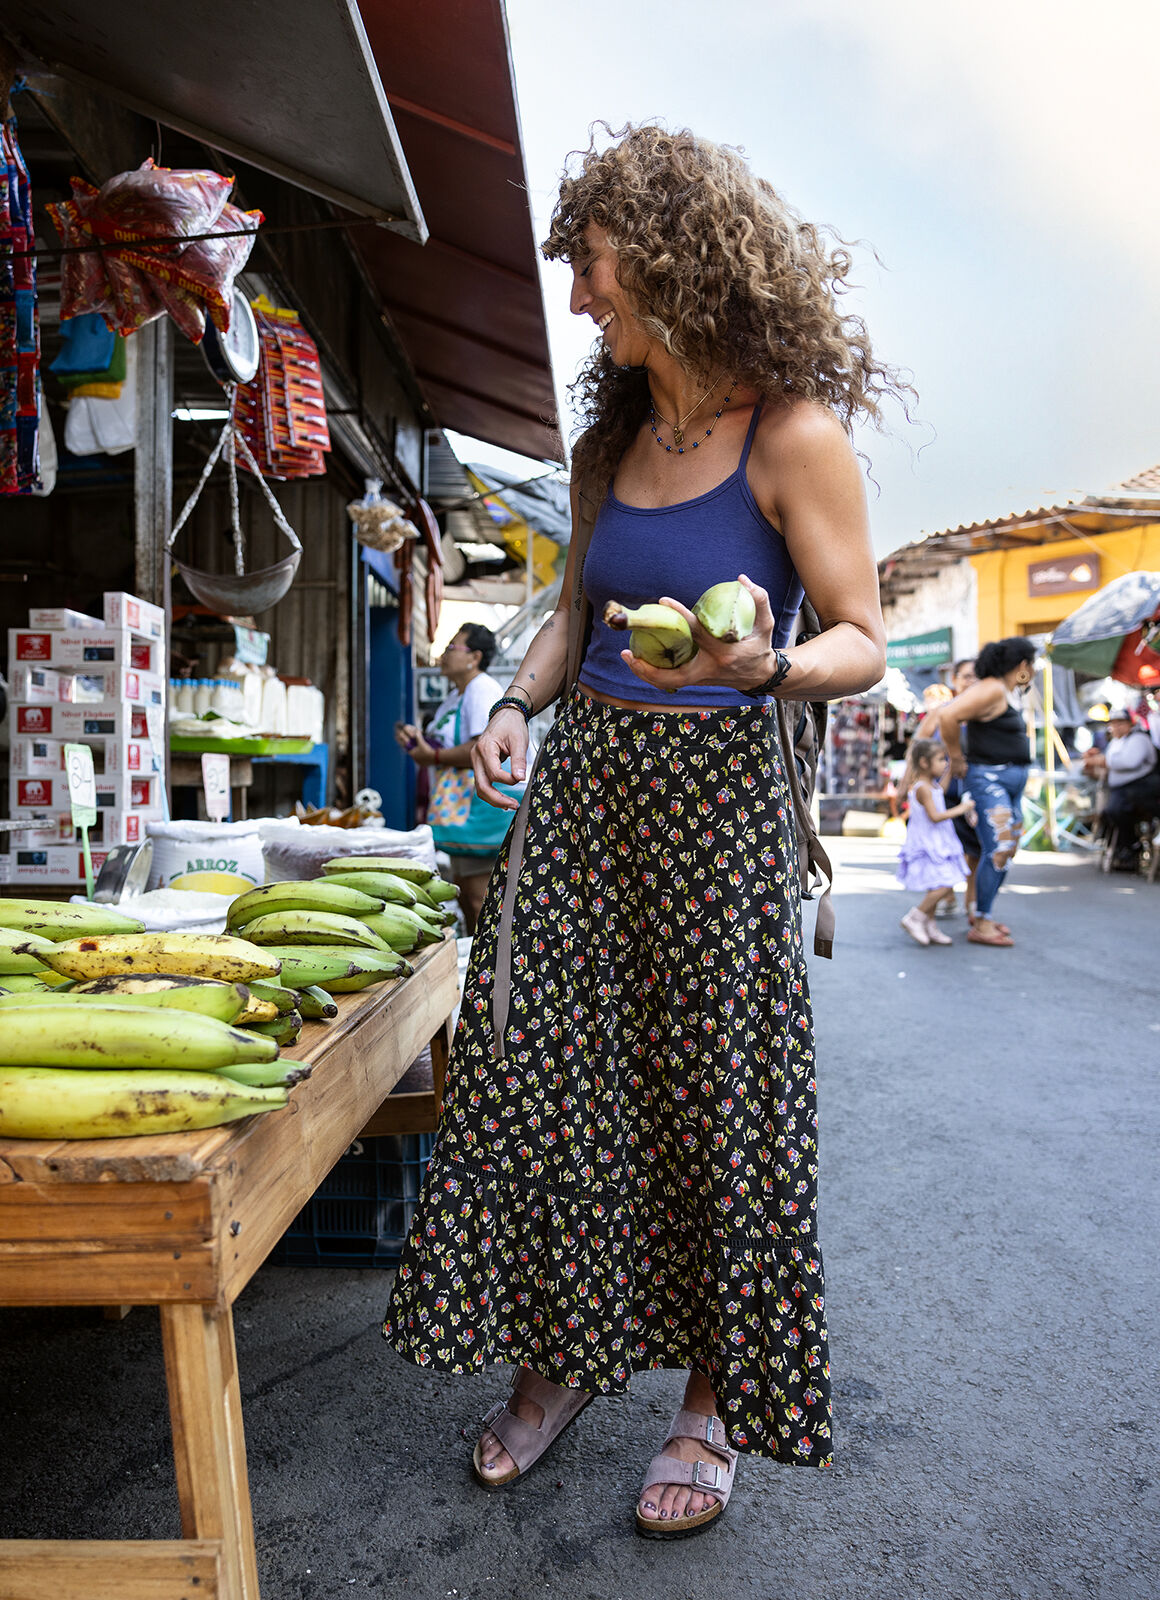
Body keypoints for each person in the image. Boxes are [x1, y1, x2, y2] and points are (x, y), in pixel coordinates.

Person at [382, 124, 894, 1538]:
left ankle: (708, 1403)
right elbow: (566, 625)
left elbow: (862, 638)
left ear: (671, 258)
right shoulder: (610, 443)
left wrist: (767, 668)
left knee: (720, 1104)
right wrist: (518, 715)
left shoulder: (789, 435)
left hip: (723, 800)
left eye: (593, 268)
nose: (582, 297)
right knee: (555, 1083)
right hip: (594, 794)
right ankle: (559, 1366)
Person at [395, 623, 508, 930]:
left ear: (474, 657)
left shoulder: (481, 689)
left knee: (477, 894)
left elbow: (484, 747)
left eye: (451, 648)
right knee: (464, 889)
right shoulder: (457, 696)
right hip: (462, 810)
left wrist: (431, 756)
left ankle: (488, 963)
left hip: (482, 808)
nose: (443, 655)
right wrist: (417, 742)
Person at [937, 637, 1036, 947]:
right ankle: (981, 922)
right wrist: (955, 758)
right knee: (998, 850)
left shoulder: (1001, 690)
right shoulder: (992, 687)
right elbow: (947, 716)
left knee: (1005, 851)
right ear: (1022, 665)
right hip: (990, 780)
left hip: (1006, 782)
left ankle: (984, 915)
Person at [895, 739, 976, 945]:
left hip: (938, 842)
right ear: (924, 762)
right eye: (941, 760)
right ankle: (916, 916)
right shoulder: (923, 788)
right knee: (944, 883)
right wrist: (962, 808)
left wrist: (951, 769)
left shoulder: (932, 786)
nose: (944, 763)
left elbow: (941, 790)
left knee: (936, 884)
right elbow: (935, 816)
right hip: (929, 843)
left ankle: (929, 924)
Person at [920, 659, 979, 918]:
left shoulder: (984, 713)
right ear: (954, 680)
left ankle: (973, 905)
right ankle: (940, 900)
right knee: (941, 850)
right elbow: (919, 747)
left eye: (977, 676)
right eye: (966, 676)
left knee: (974, 852)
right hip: (942, 792)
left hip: (973, 791)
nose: (972, 681)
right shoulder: (942, 711)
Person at [1099, 708, 1160, 869]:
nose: (1116, 727)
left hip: (1140, 788)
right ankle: (1126, 847)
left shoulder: (1138, 738)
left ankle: (1132, 846)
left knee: (1117, 810)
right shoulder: (1116, 742)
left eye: (1120, 723)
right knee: (1110, 812)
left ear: (1129, 724)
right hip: (1122, 789)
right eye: (1113, 723)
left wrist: (1107, 761)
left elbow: (1129, 762)